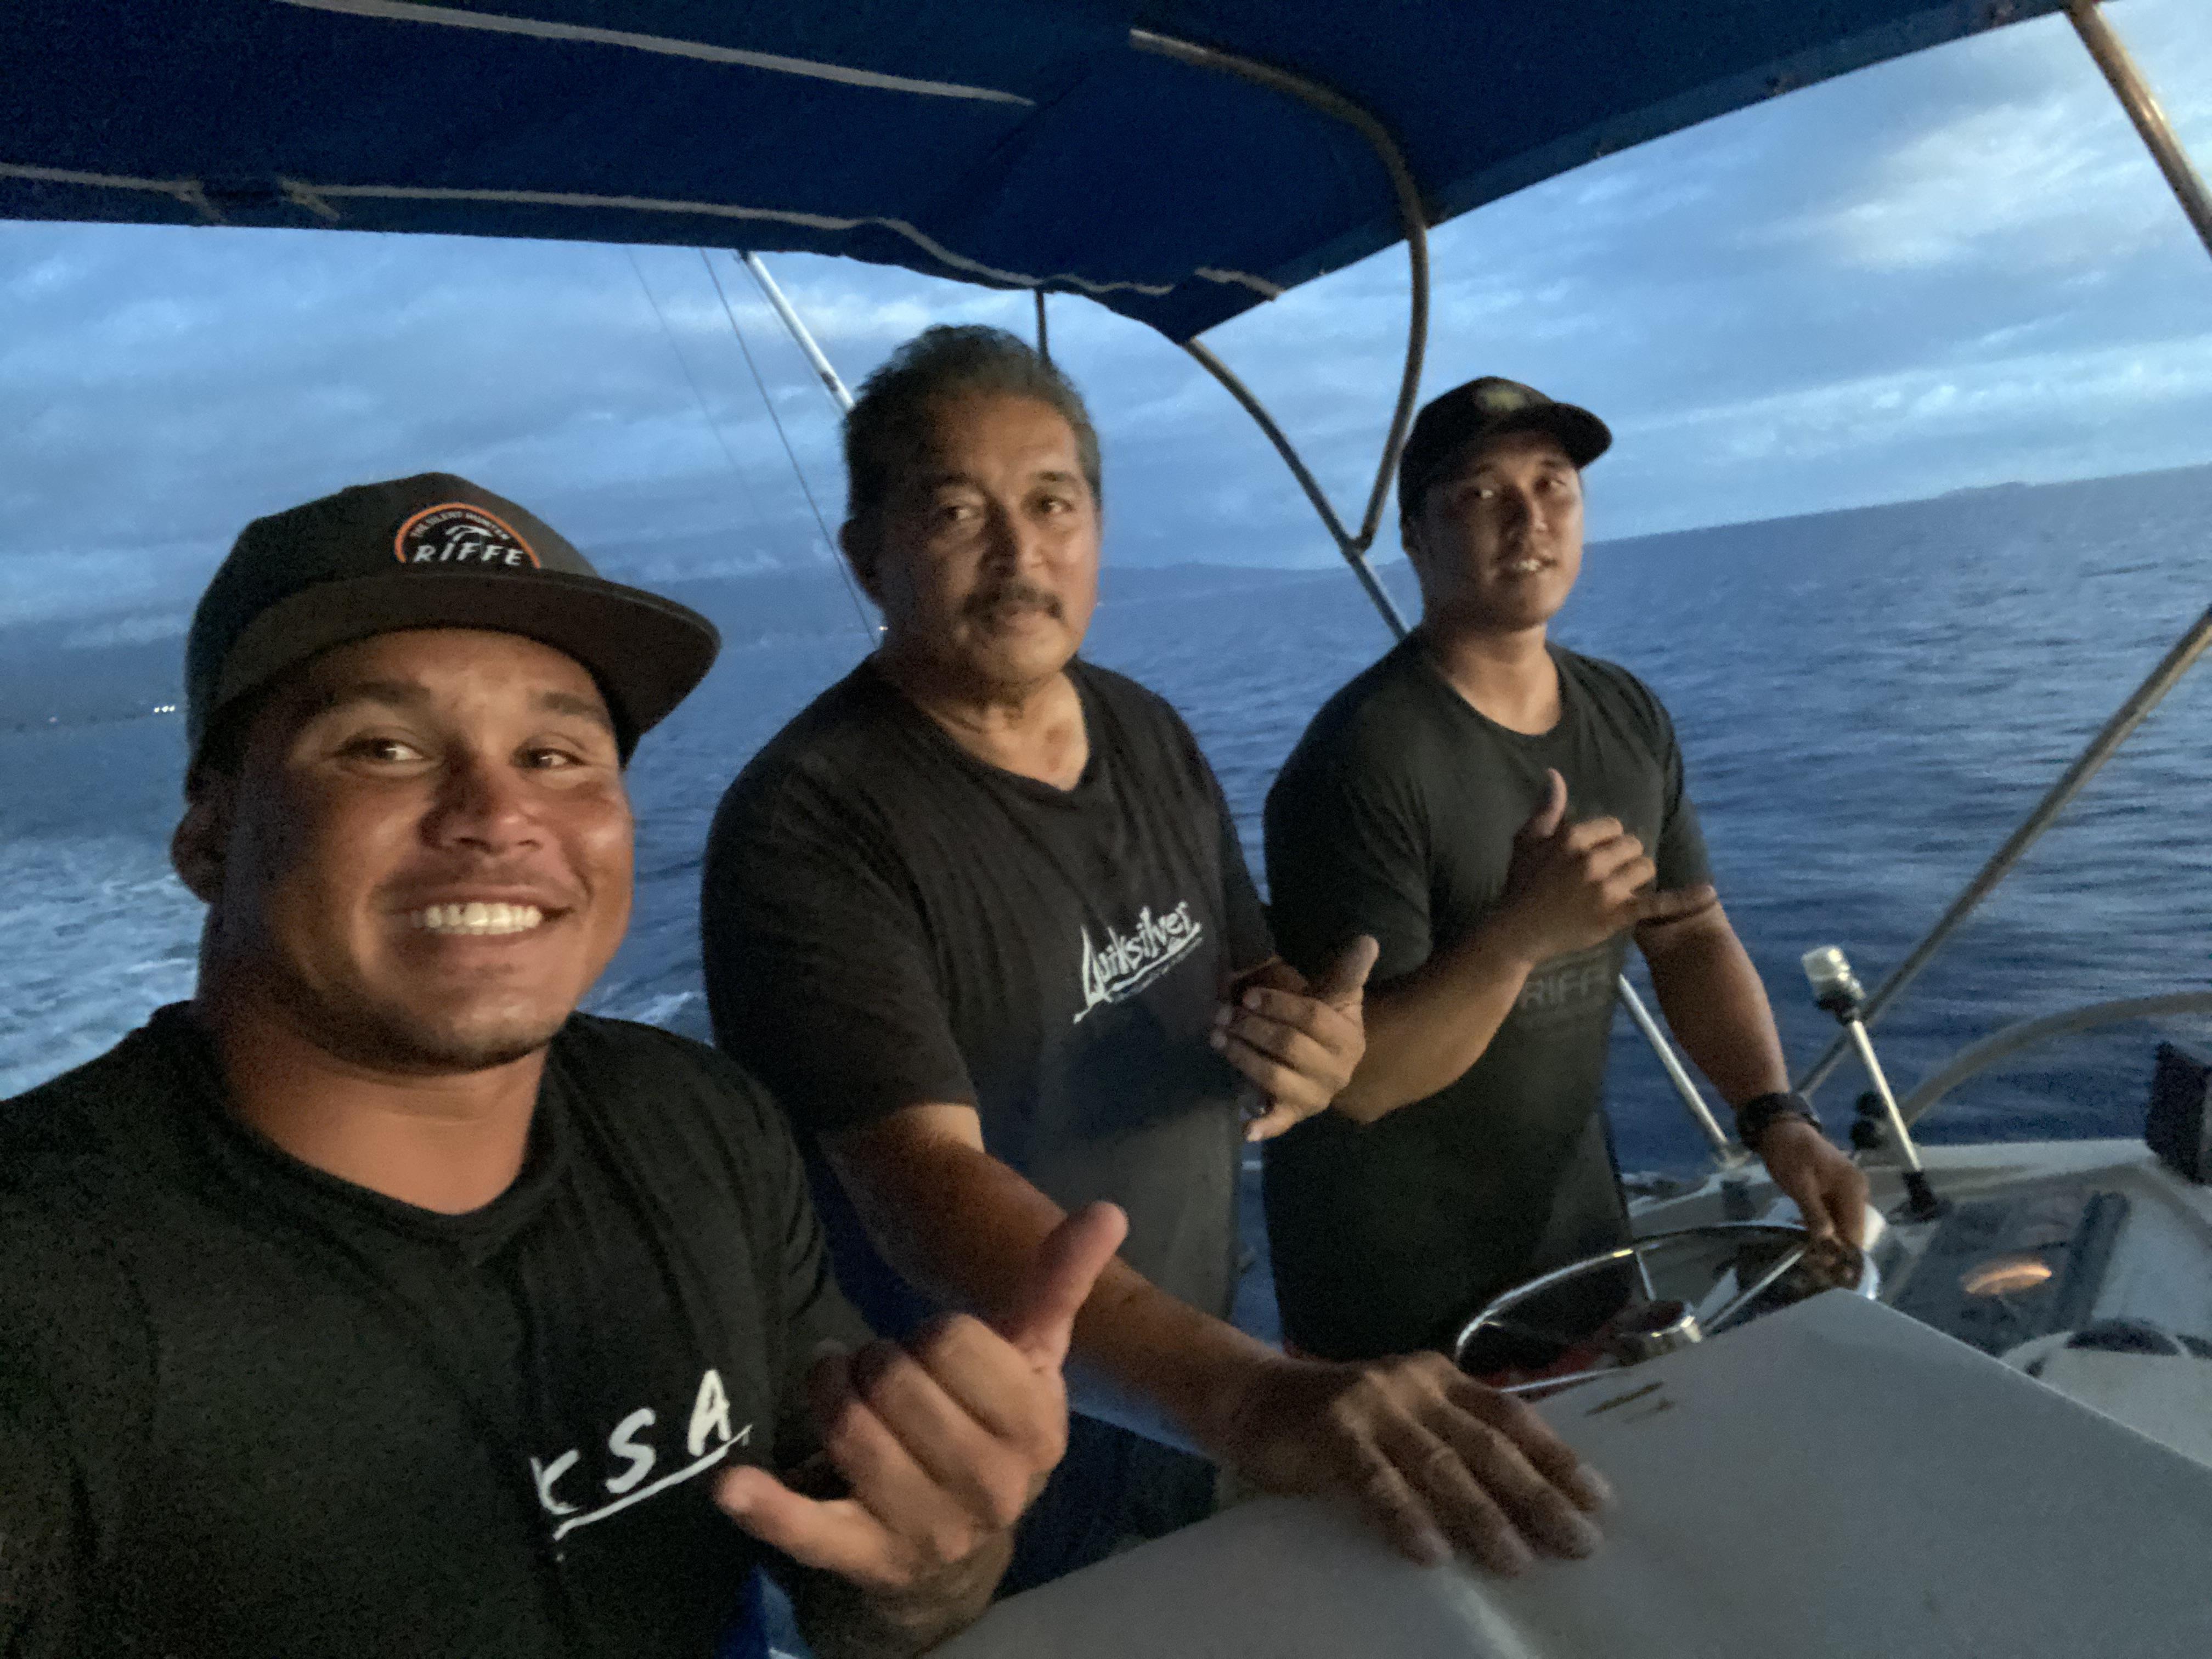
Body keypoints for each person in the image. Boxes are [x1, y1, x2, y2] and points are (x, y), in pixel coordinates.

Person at [0, 474, 1118, 1659]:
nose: (497, 814)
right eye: (382, 748)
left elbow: (866, 1579)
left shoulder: (701, 1131)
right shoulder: (49, 1291)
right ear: (209, 832)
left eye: (555, 754)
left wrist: (930, 1558)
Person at [701, 328, 1611, 1594]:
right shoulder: (809, 820)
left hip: (1180, 1387)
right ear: (869, 552)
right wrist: (1252, 1399)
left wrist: (1307, 1047)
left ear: (1099, 528)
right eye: (959, 510)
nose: (1022, 556)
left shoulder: (1143, 727)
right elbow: (918, 1186)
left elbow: (1247, 988)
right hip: (963, 1470)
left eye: (1054, 503)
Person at [1261, 376, 1871, 1365]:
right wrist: (1522, 934)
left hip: (1581, 1249)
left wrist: (1775, 1117)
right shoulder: (1364, 760)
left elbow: (1689, 934)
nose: (1529, 518)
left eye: (1554, 486)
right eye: (1479, 494)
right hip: (1396, 1302)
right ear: (1415, 540)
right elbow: (1360, 1080)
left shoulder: (1624, 715)